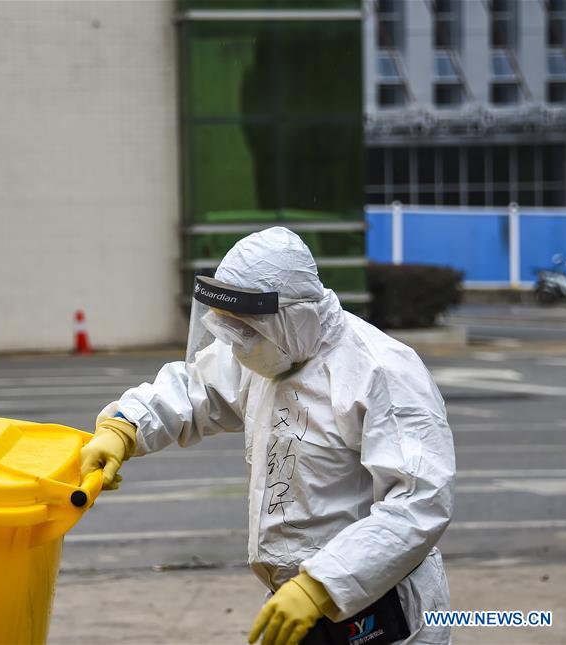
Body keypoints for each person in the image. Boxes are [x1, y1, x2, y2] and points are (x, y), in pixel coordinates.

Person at [80, 227, 455, 645]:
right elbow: (195, 388)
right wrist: (125, 427)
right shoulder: (269, 349)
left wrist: (323, 585)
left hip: (381, 607)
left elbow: (417, 503)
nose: (240, 343)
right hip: (294, 600)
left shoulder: (381, 371)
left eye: (247, 329)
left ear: (294, 315)